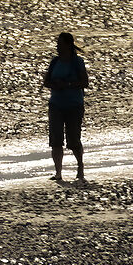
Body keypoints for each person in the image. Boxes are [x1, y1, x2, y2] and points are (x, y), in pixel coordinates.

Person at [41, 32, 89, 183]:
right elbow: (46, 81)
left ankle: (80, 167)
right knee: (55, 140)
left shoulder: (77, 62)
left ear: (68, 45)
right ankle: (58, 173)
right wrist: (55, 84)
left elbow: (84, 82)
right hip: (56, 104)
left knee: (73, 139)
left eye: (60, 43)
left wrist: (67, 84)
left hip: (74, 105)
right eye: (57, 43)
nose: (57, 46)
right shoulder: (55, 61)